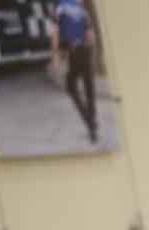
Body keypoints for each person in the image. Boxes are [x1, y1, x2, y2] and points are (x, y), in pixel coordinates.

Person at [51, 0, 98, 143]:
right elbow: (91, 35)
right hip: (85, 50)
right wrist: (93, 55)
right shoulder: (83, 11)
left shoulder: (59, 8)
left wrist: (56, 55)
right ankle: (92, 126)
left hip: (74, 52)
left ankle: (90, 122)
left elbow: (55, 32)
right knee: (89, 88)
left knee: (71, 87)